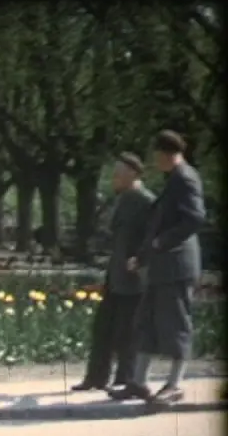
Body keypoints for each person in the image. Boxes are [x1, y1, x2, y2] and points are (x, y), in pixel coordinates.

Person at [109, 130, 206, 405]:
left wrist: (162, 243)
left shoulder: (186, 179)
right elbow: (158, 225)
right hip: (162, 265)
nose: (155, 161)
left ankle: (175, 385)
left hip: (177, 265)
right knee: (146, 324)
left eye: (157, 156)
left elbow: (194, 218)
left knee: (176, 324)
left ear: (167, 154)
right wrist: (142, 256)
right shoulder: (173, 179)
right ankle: (138, 383)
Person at [72, 153, 155, 391]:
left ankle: (125, 379)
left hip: (134, 277)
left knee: (127, 331)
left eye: (118, 173)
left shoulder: (146, 201)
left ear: (133, 174)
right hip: (115, 274)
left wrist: (140, 260)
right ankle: (96, 378)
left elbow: (152, 237)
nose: (114, 178)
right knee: (103, 328)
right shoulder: (123, 198)